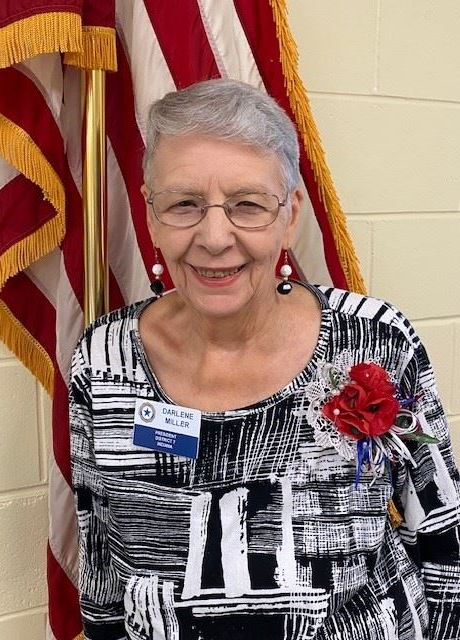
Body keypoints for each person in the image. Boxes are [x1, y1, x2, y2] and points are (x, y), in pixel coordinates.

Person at [69, 79, 460, 640]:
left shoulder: (375, 342)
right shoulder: (102, 360)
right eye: (184, 204)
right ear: (151, 216)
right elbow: (100, 556)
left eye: (247, 205)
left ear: (290, 213)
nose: (214, 236)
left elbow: (444, 538)